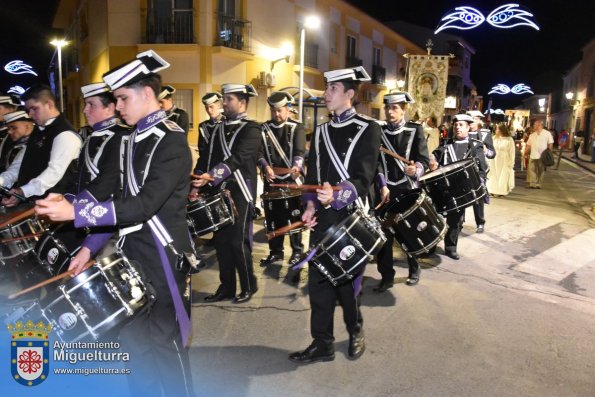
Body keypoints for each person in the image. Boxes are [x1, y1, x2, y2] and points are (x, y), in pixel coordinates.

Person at [35, 50, 195, 397]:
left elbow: (142, 205)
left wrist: (77, 214)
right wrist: (87, 247)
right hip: (131, 257)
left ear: (146, 93)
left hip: (164, 257)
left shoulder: (172, 140)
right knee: (135, 345)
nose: (118, 106)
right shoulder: (127, 141)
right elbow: (112, 200)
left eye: (122, 98)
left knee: (165, 346)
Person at [289, 66, 381, 364]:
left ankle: (355, 329)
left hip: (349, 218)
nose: (326, 94)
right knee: (318, 283)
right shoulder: (320, 131)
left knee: (346, 284)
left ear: (349, 94)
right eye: (326, 89)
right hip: (323, 220)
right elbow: (314, 174)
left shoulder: (368, 128)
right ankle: (322, 343)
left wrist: (338, 194)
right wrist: (311, 205)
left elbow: (364, 177)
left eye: (332, 90)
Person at [192, 83, 261, 304]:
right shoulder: (218, 128)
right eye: (224, 98)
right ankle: (227, 287)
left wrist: (212, 175)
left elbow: (239, 157)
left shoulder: (252, 129)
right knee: (221, 241)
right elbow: (207, 157)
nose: (224, 103)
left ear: (242, 102)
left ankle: (249, 285)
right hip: (217, 190)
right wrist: (198, 181)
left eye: (228, 99)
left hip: (240, 190)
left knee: (237, 242)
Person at [374, 91, 430, 292]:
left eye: (394, 108)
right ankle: (386, 276)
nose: (389, 112)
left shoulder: (415, 130)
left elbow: (423, 159)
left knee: (409, 232)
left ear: (403, 110)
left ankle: (414, 269)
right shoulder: (379, 131)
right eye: (387, 108)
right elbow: (376, 163)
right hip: (385, 190)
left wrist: (417, 169)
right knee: (384, 235)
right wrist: (382, 185)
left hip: (407, 188)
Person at [0, 85, 81, 207]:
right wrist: (6, 184)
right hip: (34, 205)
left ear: (49, 104)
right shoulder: (39, 131)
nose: (31, 115)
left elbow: (53, 173)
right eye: (28, 111)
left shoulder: (65, 134)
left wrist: (23, 191)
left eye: (34, 109)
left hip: (58, 208)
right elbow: (20, 165)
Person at [429, 114, 488, 260]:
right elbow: (434, 156)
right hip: (444, 187)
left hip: (462, 189)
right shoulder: (446, 143)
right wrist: (432, 160)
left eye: (461, 125)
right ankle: (431, 246)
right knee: (435, 217)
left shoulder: (475, 145)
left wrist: (479, 183)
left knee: (455, 220)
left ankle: (451, 247)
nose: (457, 128)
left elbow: (483, 168)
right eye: (456, 125)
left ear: (468, 127)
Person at [258, 91, 305, 269]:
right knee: (273, 215)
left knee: (293, 215)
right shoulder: (264, 128)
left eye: (280, 110)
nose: (277, 114)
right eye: (273, 111)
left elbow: (300, 151)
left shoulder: (296, 127)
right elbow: (259, 152)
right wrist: (265, 166)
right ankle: (275, 251)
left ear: (287, 109)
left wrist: (297, 166)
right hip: (272, 178)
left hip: (290, 178)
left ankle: (297, 250)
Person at [467, 110, 496, 233]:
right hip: (463, 168)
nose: (471, 122)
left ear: (479, 120)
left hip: (479, 169)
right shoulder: (462, 132)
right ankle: (459, 221)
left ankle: (480, 222)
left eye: (473, 119)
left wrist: (485, 150)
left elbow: (492, 154)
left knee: (478, 197)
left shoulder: (484, 134)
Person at [0, 111, 34, 175]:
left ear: (27, 126)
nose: (9, 132)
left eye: (13, 128)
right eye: (8, 128)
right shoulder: (12, 144)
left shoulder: (39, 144)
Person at [487, 124, 515, 197]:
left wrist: (512, 162)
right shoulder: (493, 138)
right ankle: (491, 190)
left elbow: (512, 152)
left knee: (503, 176)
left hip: (504, 160)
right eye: (496, 129)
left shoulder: (509, 139)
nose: (496, 130)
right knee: (493, 175)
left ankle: (501, 192)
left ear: (502, 130)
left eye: (498, 129)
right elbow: (489, 149)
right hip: (494, 159)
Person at [524, 119, 553, 188]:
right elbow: (528, 145)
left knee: (541, 170)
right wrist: (525, 153)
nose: (533, 126)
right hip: (533, 155)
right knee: (531, 169)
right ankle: (533, 183)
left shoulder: (547, 133)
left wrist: (549, 152)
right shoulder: (532, 135)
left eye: (534, 125)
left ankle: (538, 183)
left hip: (542, 156)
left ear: (539, 125)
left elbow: (550, 143)